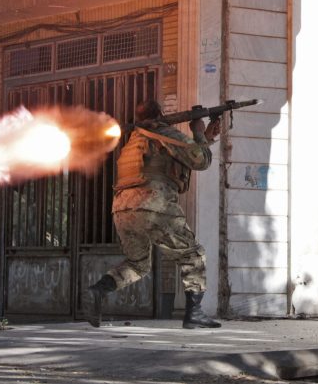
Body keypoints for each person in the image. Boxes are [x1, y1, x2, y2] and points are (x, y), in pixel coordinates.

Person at [87, 99, 222, 329]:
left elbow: (183, 156)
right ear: (160, 114)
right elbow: (199, 160)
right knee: (193, 255)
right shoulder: (162, 133)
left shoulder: (134, 141)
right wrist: (198, 131)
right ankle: (194, 314)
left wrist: (206, 138)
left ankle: (98, 290)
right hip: (153, 203)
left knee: (138, 264)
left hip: (122, 208)